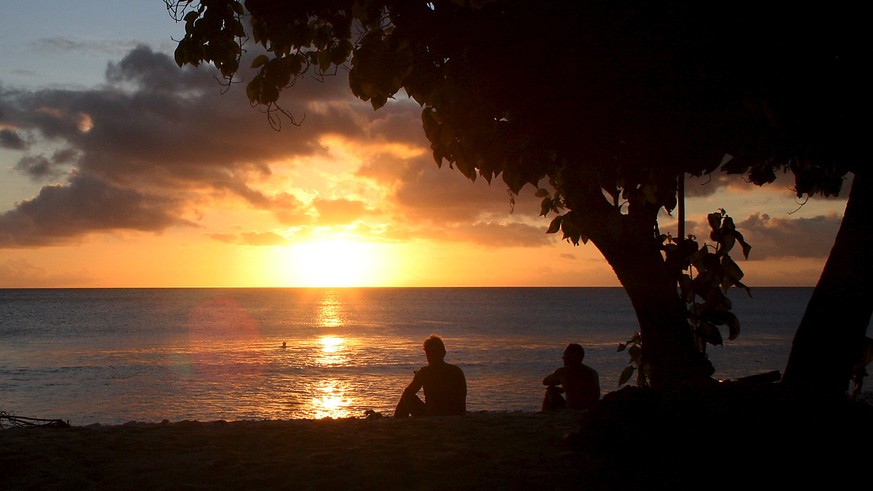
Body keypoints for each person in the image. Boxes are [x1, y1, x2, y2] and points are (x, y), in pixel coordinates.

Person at [394, 335, 467, 418]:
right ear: (444, 353)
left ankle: (398, 419)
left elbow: (408, 393)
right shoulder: (456, 371)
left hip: (433, 414)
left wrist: (419, 377)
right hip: (457, 413)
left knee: (407, 394)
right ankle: (398, 418)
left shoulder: (425, 372)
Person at [542, 343, 600, 411]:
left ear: (573, 356)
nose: (563, 357)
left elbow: (546, 381)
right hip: (591, 409)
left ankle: (545, 413)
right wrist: (565, 388)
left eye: (565, 354)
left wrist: (562, 385)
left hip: (572, 409)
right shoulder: (593, 372)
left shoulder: (564, 372)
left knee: (550, 391)